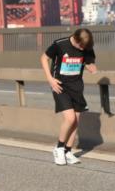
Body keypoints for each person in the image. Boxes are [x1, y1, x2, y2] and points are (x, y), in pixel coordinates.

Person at [41, 28, 97, 166]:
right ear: (76, 39)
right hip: (60, 86)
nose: (82, 49)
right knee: (70, 118)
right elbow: (44, 58)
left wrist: (92, 68)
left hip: (77, 86)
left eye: (85, 47)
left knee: (76, 120)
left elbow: (89, 62)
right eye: (81, 46)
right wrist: (50, 79)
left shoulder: (86, 47)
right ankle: (58, 148)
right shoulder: (60, 44)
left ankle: (67, 151)